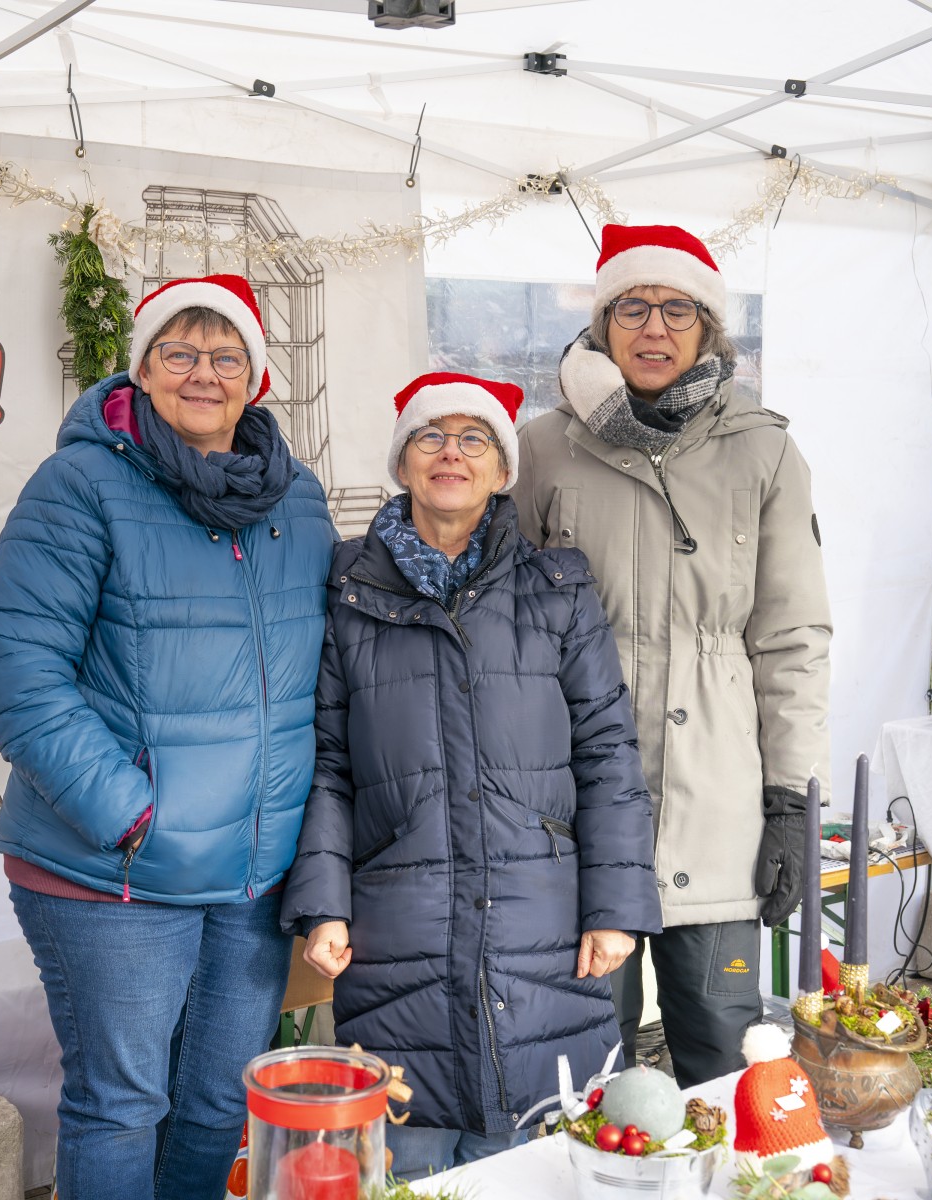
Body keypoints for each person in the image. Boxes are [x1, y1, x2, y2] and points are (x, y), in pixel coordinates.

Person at [0, 274, 335, 1200]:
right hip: (118, 874)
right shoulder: (79, 486)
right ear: (140, 371)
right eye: (179, 352)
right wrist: (133, 815)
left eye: (226, 356)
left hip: (252, 871)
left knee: (217, 1105)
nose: (203, 373)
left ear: (257, 378)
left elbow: (325, 671)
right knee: (124, 1105)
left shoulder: (298, 501)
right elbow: (20, 678)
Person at [283, 371, 662, 1179]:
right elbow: (329, 764)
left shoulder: (558, 591)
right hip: (397, 918)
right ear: (402, 462)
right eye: (430, 436)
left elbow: (608, 755)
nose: (450, 453)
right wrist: (324, 904)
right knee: (413, 1152)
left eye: (473, 439)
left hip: (544, 917)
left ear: (502, 470)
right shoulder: (349, 592)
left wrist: (616, 908)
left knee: (545, 1152)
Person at [515, 224, 832, 1086]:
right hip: (577, 808)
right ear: (602, 323)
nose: (653, 328)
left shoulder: (763, 450)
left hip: (717, 805)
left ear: (708, 328)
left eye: (677, 309)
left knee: (726, 1057)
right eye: (632, 307)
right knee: (583, 1061)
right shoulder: (543, 448)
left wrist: (791, 799)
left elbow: (793, 637)